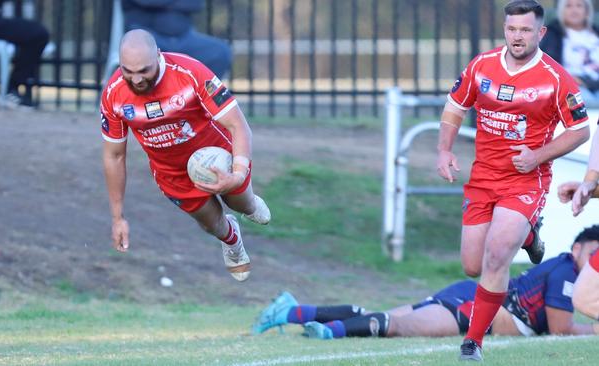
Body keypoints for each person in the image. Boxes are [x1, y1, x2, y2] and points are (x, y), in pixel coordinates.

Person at [436, 0, 590, 361]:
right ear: (504, 29)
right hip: (483, 176)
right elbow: (455, 107)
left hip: (525, 181)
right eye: (511, 29)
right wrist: (443, 150)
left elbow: (581, 130)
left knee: (496, 256)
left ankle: (472, 342)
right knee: (472, 265)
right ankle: (531, 235)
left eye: (524, 30)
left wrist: (537, 156)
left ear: (541, 32)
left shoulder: (555, 78)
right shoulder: (482, 65)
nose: (517, 36)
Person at [100, 29, 270, 282]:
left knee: (240, 203)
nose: (136, 79)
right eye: (128, 71)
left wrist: (239, 172)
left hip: (219, 156)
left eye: (144, 70)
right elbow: (114, 156)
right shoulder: (113, 94)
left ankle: (250, 204)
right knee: (212, 225)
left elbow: (238, 125)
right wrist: (117, 217)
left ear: (158, 56)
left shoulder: (190, 72)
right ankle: (232, 239)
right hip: (173, 174)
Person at [252, 225, 599, 339]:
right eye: (594, 251)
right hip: (475, 308)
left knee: (384, 316)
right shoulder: (568, 271)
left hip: (474, 300)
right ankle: (329, 332)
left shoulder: (564, 268)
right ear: (576, 248)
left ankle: (294, 311)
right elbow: (561, 328)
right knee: (399, 326)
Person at [122, 0, 232, 78]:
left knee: (220, 52)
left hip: (185, 38)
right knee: (145, 53)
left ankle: (194, 100)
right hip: (146, 36)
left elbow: (196, 4)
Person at [540, 0, 599, 104]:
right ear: (561, 10)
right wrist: (572, 80)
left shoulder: (596, 33)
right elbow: (546, 65)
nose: (574, 10)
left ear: (587, 10)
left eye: (579, 6)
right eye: (569, 6)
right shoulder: (552, 34)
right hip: (570, 88)